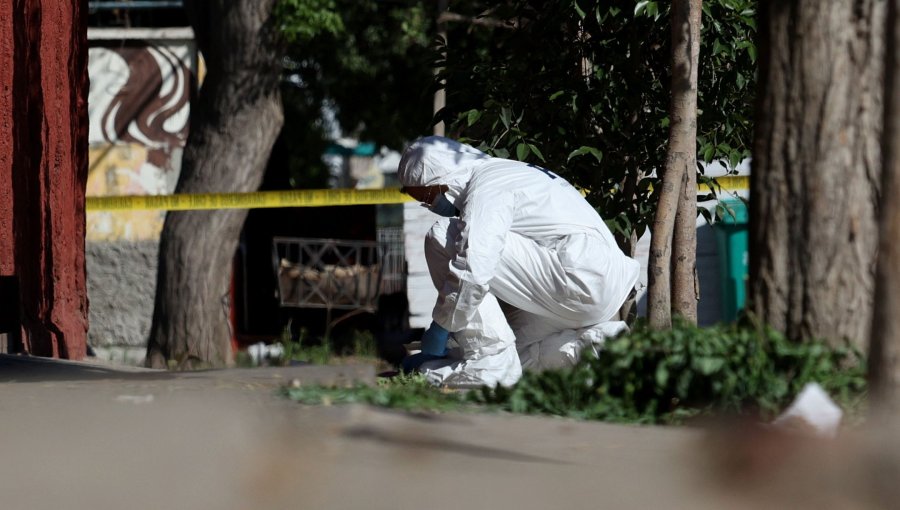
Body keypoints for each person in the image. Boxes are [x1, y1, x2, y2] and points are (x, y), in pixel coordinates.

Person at [399, 136, 640, 388]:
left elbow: (475, 265)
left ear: (443, 178)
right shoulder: (509, 172)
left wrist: (442, 325)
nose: (430, 204)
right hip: (595, 291)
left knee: (443, 234)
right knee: (519, 352)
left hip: (576, 276)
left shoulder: (488, 185)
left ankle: (488, 366)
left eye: (428, 196)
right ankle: (604, 353)